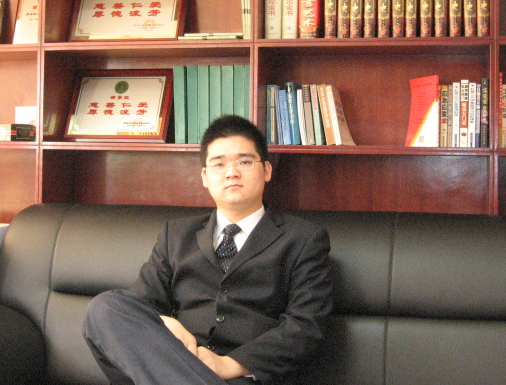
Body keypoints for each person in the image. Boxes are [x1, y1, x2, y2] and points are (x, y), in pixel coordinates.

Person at [83, 114, 332, 385]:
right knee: (106, 307)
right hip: (175, 364)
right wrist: (166, 322)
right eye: (219, 164)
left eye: (244, 161)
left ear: (266, 170)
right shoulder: (176, 235)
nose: (231, 172)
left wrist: (228, 365)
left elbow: (305, 327)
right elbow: (140, 306)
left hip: (244, 378)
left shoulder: (303, 239)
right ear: (204, 176)